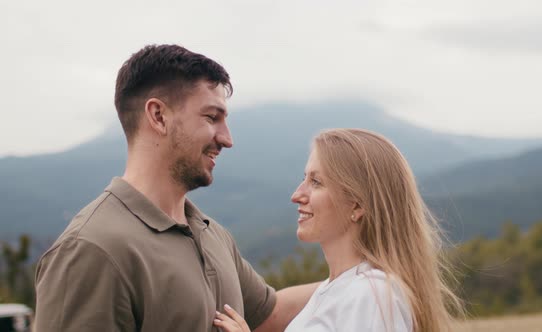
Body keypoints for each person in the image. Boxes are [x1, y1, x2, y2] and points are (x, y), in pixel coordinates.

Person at [34, 44, 317, 332]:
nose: (227, 138)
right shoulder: (92, 250)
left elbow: (269, 314)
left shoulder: (212, 234)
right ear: (158, 116)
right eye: (211, 117)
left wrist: (360, 275)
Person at [214, 128, 463, 332]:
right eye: (305, 179)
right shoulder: (336, 288)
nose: (297, 195)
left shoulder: (370, 293)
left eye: (316, 182)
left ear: (357, 204)